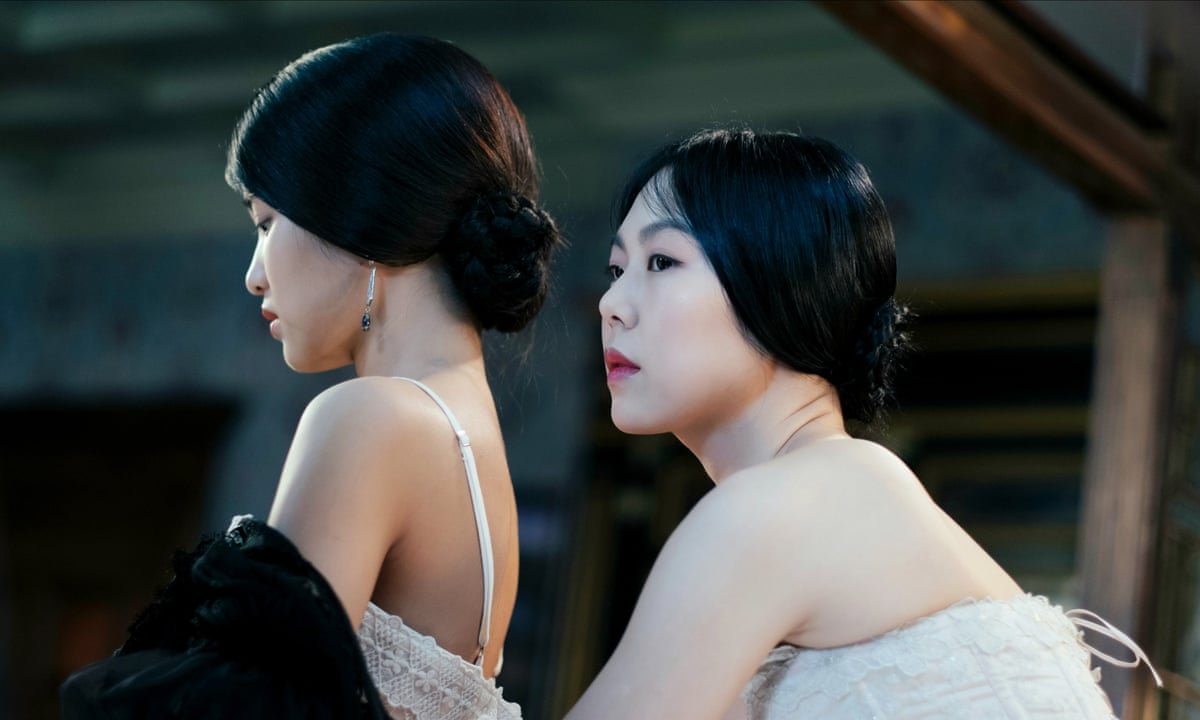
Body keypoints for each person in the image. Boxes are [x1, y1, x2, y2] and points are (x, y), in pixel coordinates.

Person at [566, 128, 1159, 719]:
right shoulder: (838, 483)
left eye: (662, 261)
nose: (610, 303)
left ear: (781, 282)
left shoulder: (779, 506)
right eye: (617, 269)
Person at [61, 33, 560, 720]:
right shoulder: (470, 440)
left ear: (363, 213)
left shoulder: (372, 416)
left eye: (267, 222)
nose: (254, 272)